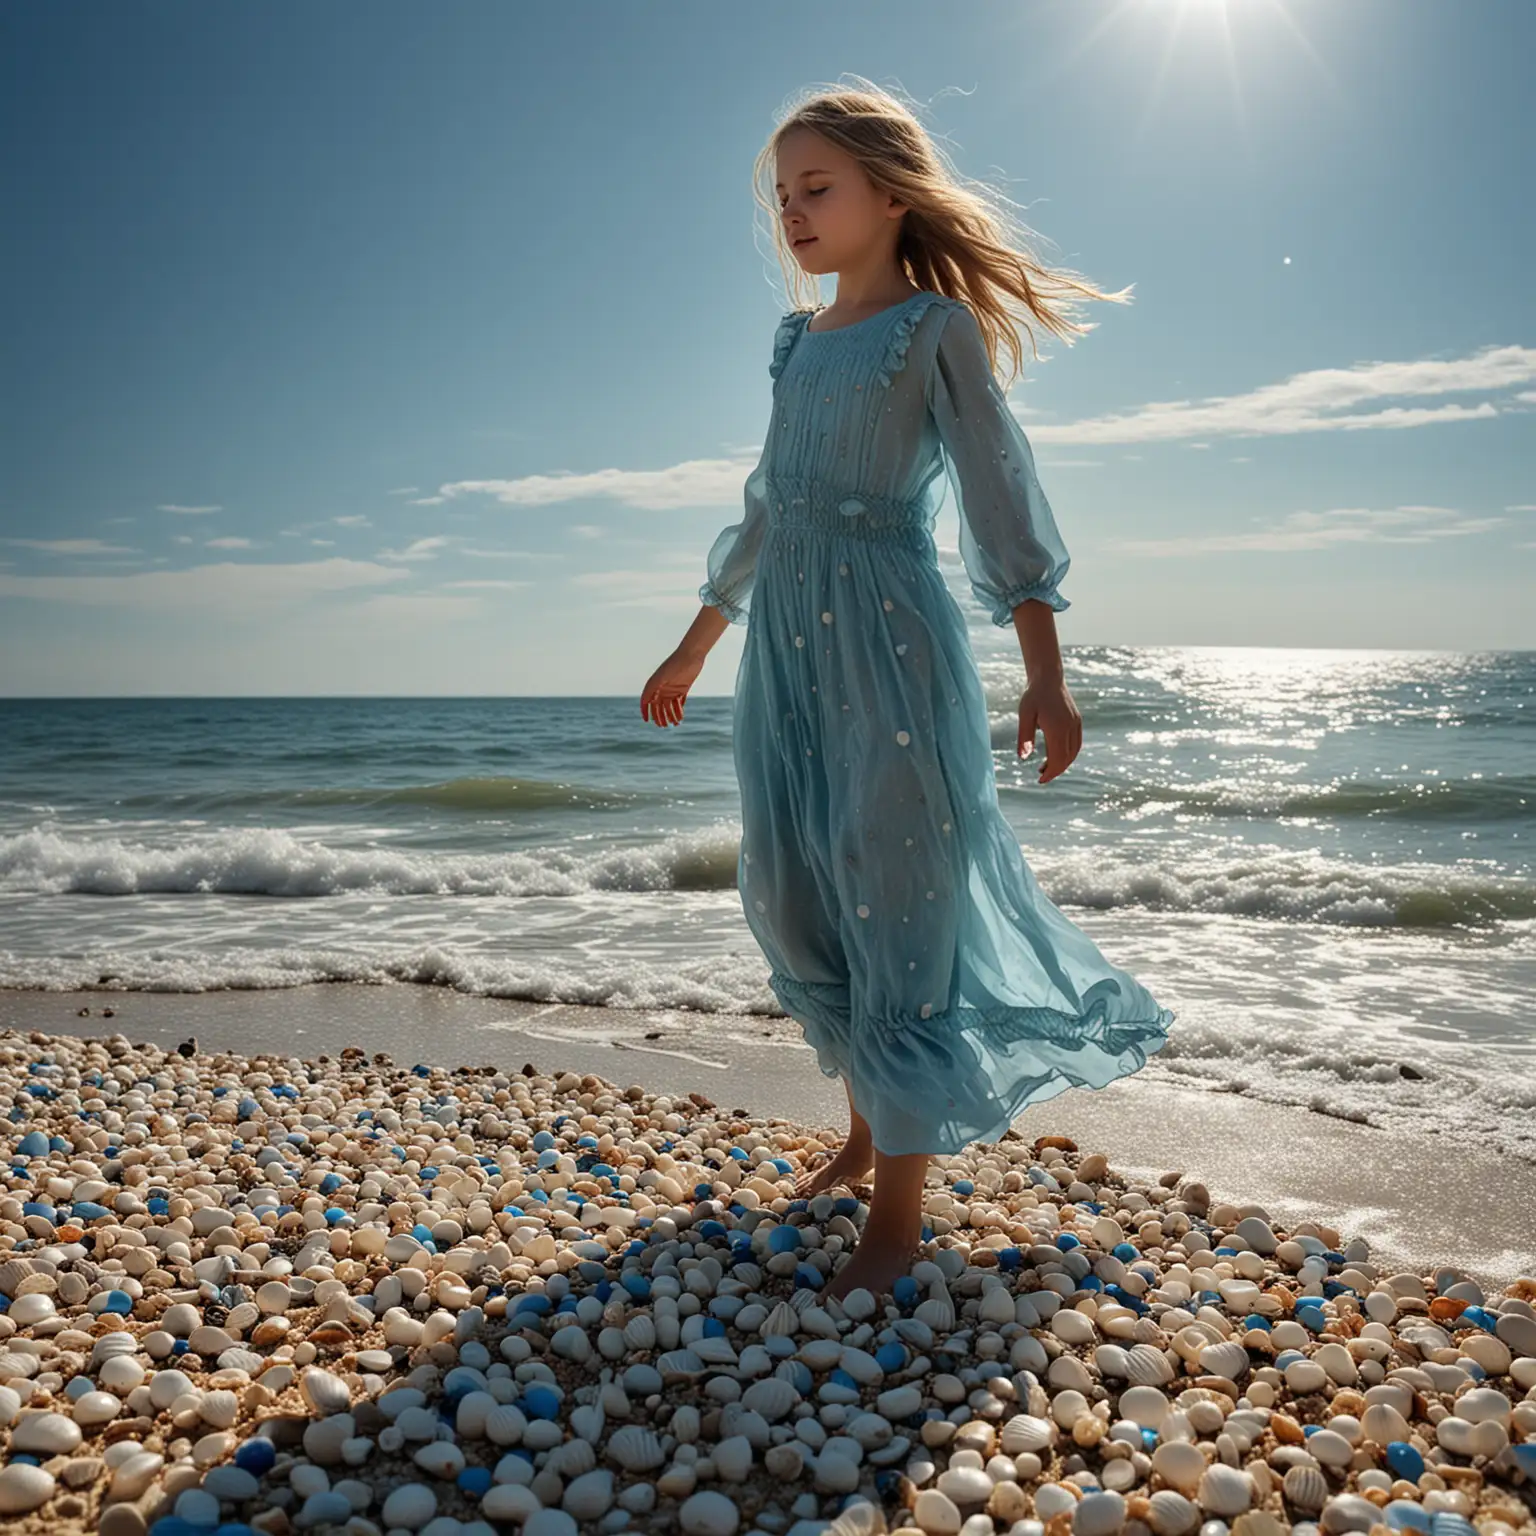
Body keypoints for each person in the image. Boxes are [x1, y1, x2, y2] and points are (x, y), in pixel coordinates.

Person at [640, 80, 1175, 1301]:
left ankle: (899, 1217)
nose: (793, 212)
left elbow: (1000, 498)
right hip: (784, 647)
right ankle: (868, 1122)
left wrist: (1047, 675)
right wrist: (695, 641)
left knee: (896, 893)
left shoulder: (931, 331)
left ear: (892, 193)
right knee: (795, 880)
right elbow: (768, 507)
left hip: (890, 641)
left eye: (816, 187)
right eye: (782, 195)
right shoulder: (795, 342)